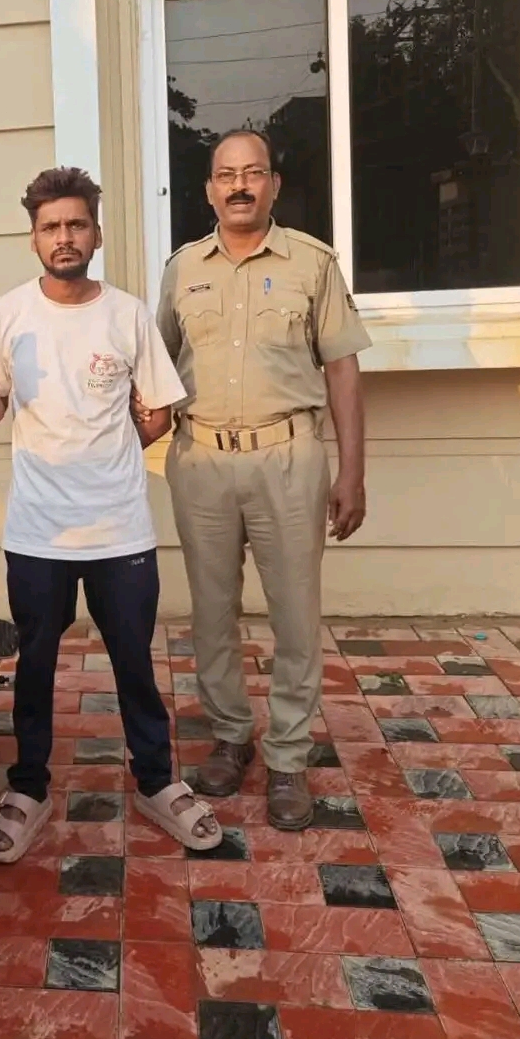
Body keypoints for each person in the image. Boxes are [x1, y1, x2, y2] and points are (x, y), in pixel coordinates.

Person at [0, 165, 222, 864]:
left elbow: (159, 410)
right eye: (50, 226)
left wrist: (111, 453)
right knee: (35, 666)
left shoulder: (128, 314)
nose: (64, 236)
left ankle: (157, 781)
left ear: (97, 234)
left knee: (134, 663)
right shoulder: (6, 316)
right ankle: (28, 788)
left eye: (76, 224)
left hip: (120, 529)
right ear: (34, 238)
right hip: (38, 531)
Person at [153, 130, 370, 831]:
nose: (239, 186)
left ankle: (288, 756)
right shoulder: (182, 269)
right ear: (209, 190)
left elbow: (343, 370)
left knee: (295, 615)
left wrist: (353, 471)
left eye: (253, 173)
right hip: (202, 461)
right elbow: (154, 371)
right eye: (226, 175)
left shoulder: (312, 263)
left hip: (289, 458)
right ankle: (229, 735)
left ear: (273, 184)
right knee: (211, 612)